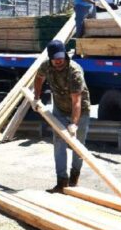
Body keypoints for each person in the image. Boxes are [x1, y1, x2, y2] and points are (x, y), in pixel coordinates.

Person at [34, 40, 91, 193]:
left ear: (65, 54)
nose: (59, 61)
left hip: (80, 110)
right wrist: (36, 98)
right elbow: (39, 78)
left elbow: (76, 101)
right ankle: (61, 182)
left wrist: (74, 123)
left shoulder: (74, 71)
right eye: (55, 59)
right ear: (50, 58)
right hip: (59, 109)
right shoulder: (46, 66)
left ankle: (74, 178)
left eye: (61, 57)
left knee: (78, 145)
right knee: (59, 142)